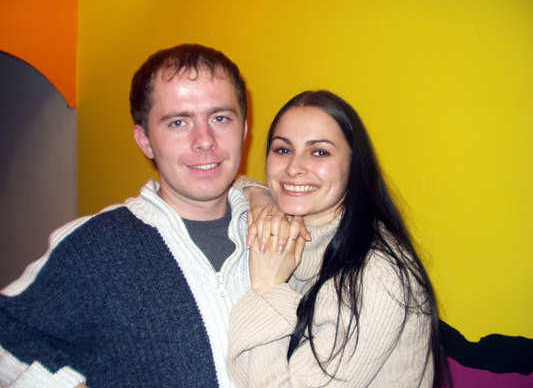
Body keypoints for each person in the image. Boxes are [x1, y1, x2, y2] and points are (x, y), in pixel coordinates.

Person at [0, 44, 253, 388]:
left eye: (220, 118)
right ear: (145, 140)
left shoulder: (282, 234)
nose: (204, 140)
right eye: (179, 122)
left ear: (244, 129)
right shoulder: (94, 248)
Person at [227, 90, 447, 387]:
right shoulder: (295, 228)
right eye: (283, 150)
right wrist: (261, 198)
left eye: (319, 152)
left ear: (355, 164)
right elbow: (232, 182)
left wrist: (267, 288)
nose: (294, 167)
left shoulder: (378, 275)